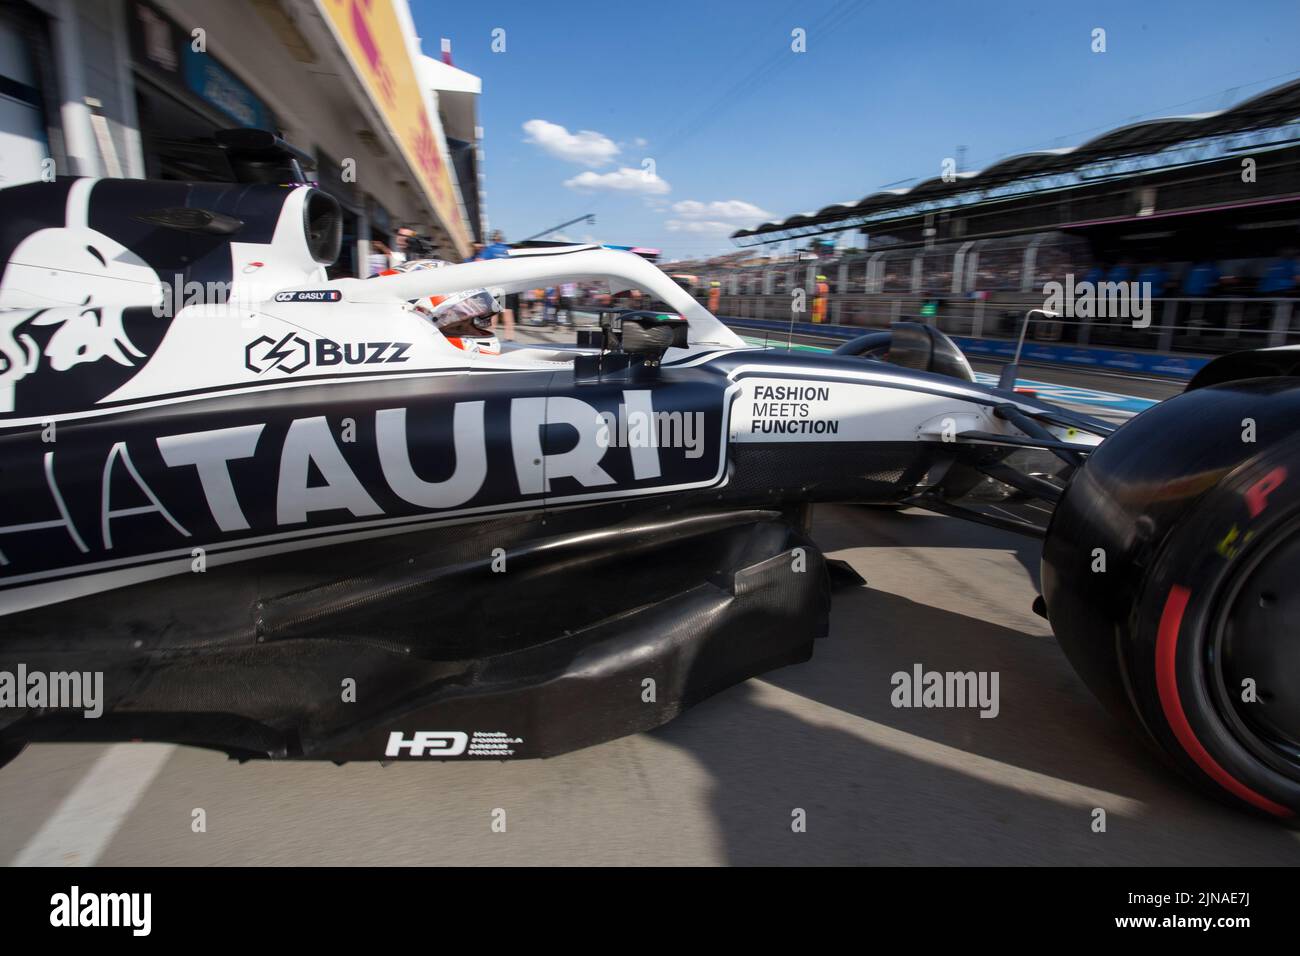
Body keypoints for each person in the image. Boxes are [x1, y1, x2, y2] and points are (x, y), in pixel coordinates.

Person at [471, 230, 515, 340]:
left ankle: (491, 336)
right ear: (502, 238)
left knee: (495, 311)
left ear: (493, 238)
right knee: (507, 311)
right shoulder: (509, 249)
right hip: (510, 284)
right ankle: (510, 338)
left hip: (498, 284)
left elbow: (478, 261)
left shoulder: (490, 249)